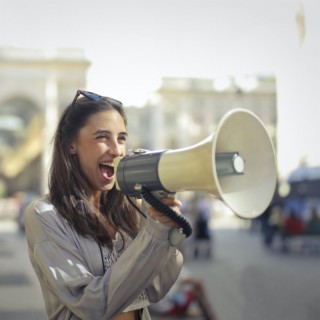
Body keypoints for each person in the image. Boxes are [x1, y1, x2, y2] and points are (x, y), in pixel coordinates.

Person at [24, 90, 186, 320]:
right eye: (102, 137)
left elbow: (154, 288)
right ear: (71, 145)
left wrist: (168, 231)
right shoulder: (45, 214)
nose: (117, 150)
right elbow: (91, 306)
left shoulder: (129, 207)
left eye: (121, 138)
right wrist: (154, 233)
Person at [149, 266, 217, 320]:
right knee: (197, 288)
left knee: (193, 290)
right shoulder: (176, 266)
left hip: (160, 307)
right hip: (166, 307)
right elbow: (196, 282)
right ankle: (208, 312)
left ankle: (205, 312)